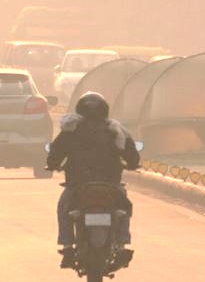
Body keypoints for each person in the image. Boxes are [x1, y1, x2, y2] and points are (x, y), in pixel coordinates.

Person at [47, 92, 141, 268]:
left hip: (78, 184)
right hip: (110, 184)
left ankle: (67, 247)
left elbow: (55, 153)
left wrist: (52, 165)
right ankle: (122, 245)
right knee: (124, 208)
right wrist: (132, 164)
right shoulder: (115, 130)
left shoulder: (71, 129)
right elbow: (132, 155)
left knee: (64, 207)